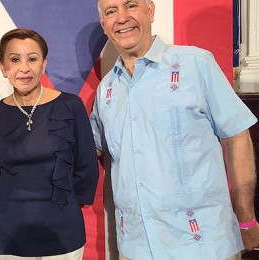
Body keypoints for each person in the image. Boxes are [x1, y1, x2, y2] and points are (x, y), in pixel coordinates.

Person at [90, 0, 259, 259]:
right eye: (111, 12)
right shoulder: (106, 90)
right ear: (104, 25)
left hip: (203, 245)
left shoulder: (196, 64)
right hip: (136, 247)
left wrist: (246, 219)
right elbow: (94, 148)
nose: (121, 18)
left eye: (131, 5)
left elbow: (237, 136)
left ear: (151, 10)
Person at [0, 28, 99, 260]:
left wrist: (66, 204)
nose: (24, 67)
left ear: (43, 64)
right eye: (14, 60)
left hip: (63, 229)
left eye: (32, 59)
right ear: (3, 67)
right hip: (5, 232)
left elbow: (86, 166)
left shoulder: (71, 106)